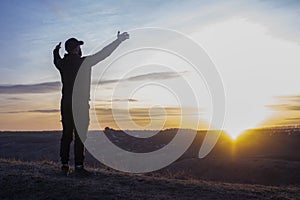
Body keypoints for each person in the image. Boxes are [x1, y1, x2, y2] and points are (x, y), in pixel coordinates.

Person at [53, 31, 129, 175]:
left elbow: (56, 60)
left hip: (66, 104)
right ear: (76, 49)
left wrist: (56, 51)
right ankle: (79, 167)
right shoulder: (84, 63)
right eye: (79, 46)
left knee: (67, 135)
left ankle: (64, 165)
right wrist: (118, 41)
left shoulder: (62, 64)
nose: (81, 49)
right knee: (80, 135)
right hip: (80, 104)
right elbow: (104, 54)